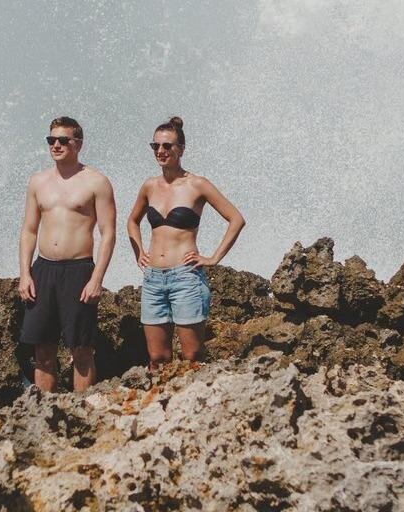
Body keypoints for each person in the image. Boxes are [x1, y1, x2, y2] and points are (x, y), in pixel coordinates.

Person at [127, 116, 245, 370]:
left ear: (181, 149)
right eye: (155, 146)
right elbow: (132, 221)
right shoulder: (149, 186)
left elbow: (236, 219)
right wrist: (139, 252)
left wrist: (213, 257)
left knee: (192, 355)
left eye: (167, 146)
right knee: (157, 358)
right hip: (153, 280)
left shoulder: (197, 184)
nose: (160, 151)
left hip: (185, 277)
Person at [18, 116, 116, 392]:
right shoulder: (38, 182)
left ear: (78, 144)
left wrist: (96, 279)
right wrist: (25, 274)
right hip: (43, 270)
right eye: (51, 140)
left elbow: (108, 234)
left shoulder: (97, 182)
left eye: (63, 140)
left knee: (81, 350)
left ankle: (82, 410)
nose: (56, 145)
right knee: (43, 350)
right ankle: (43, 411)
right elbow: (29, 231)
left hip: (78, 271)